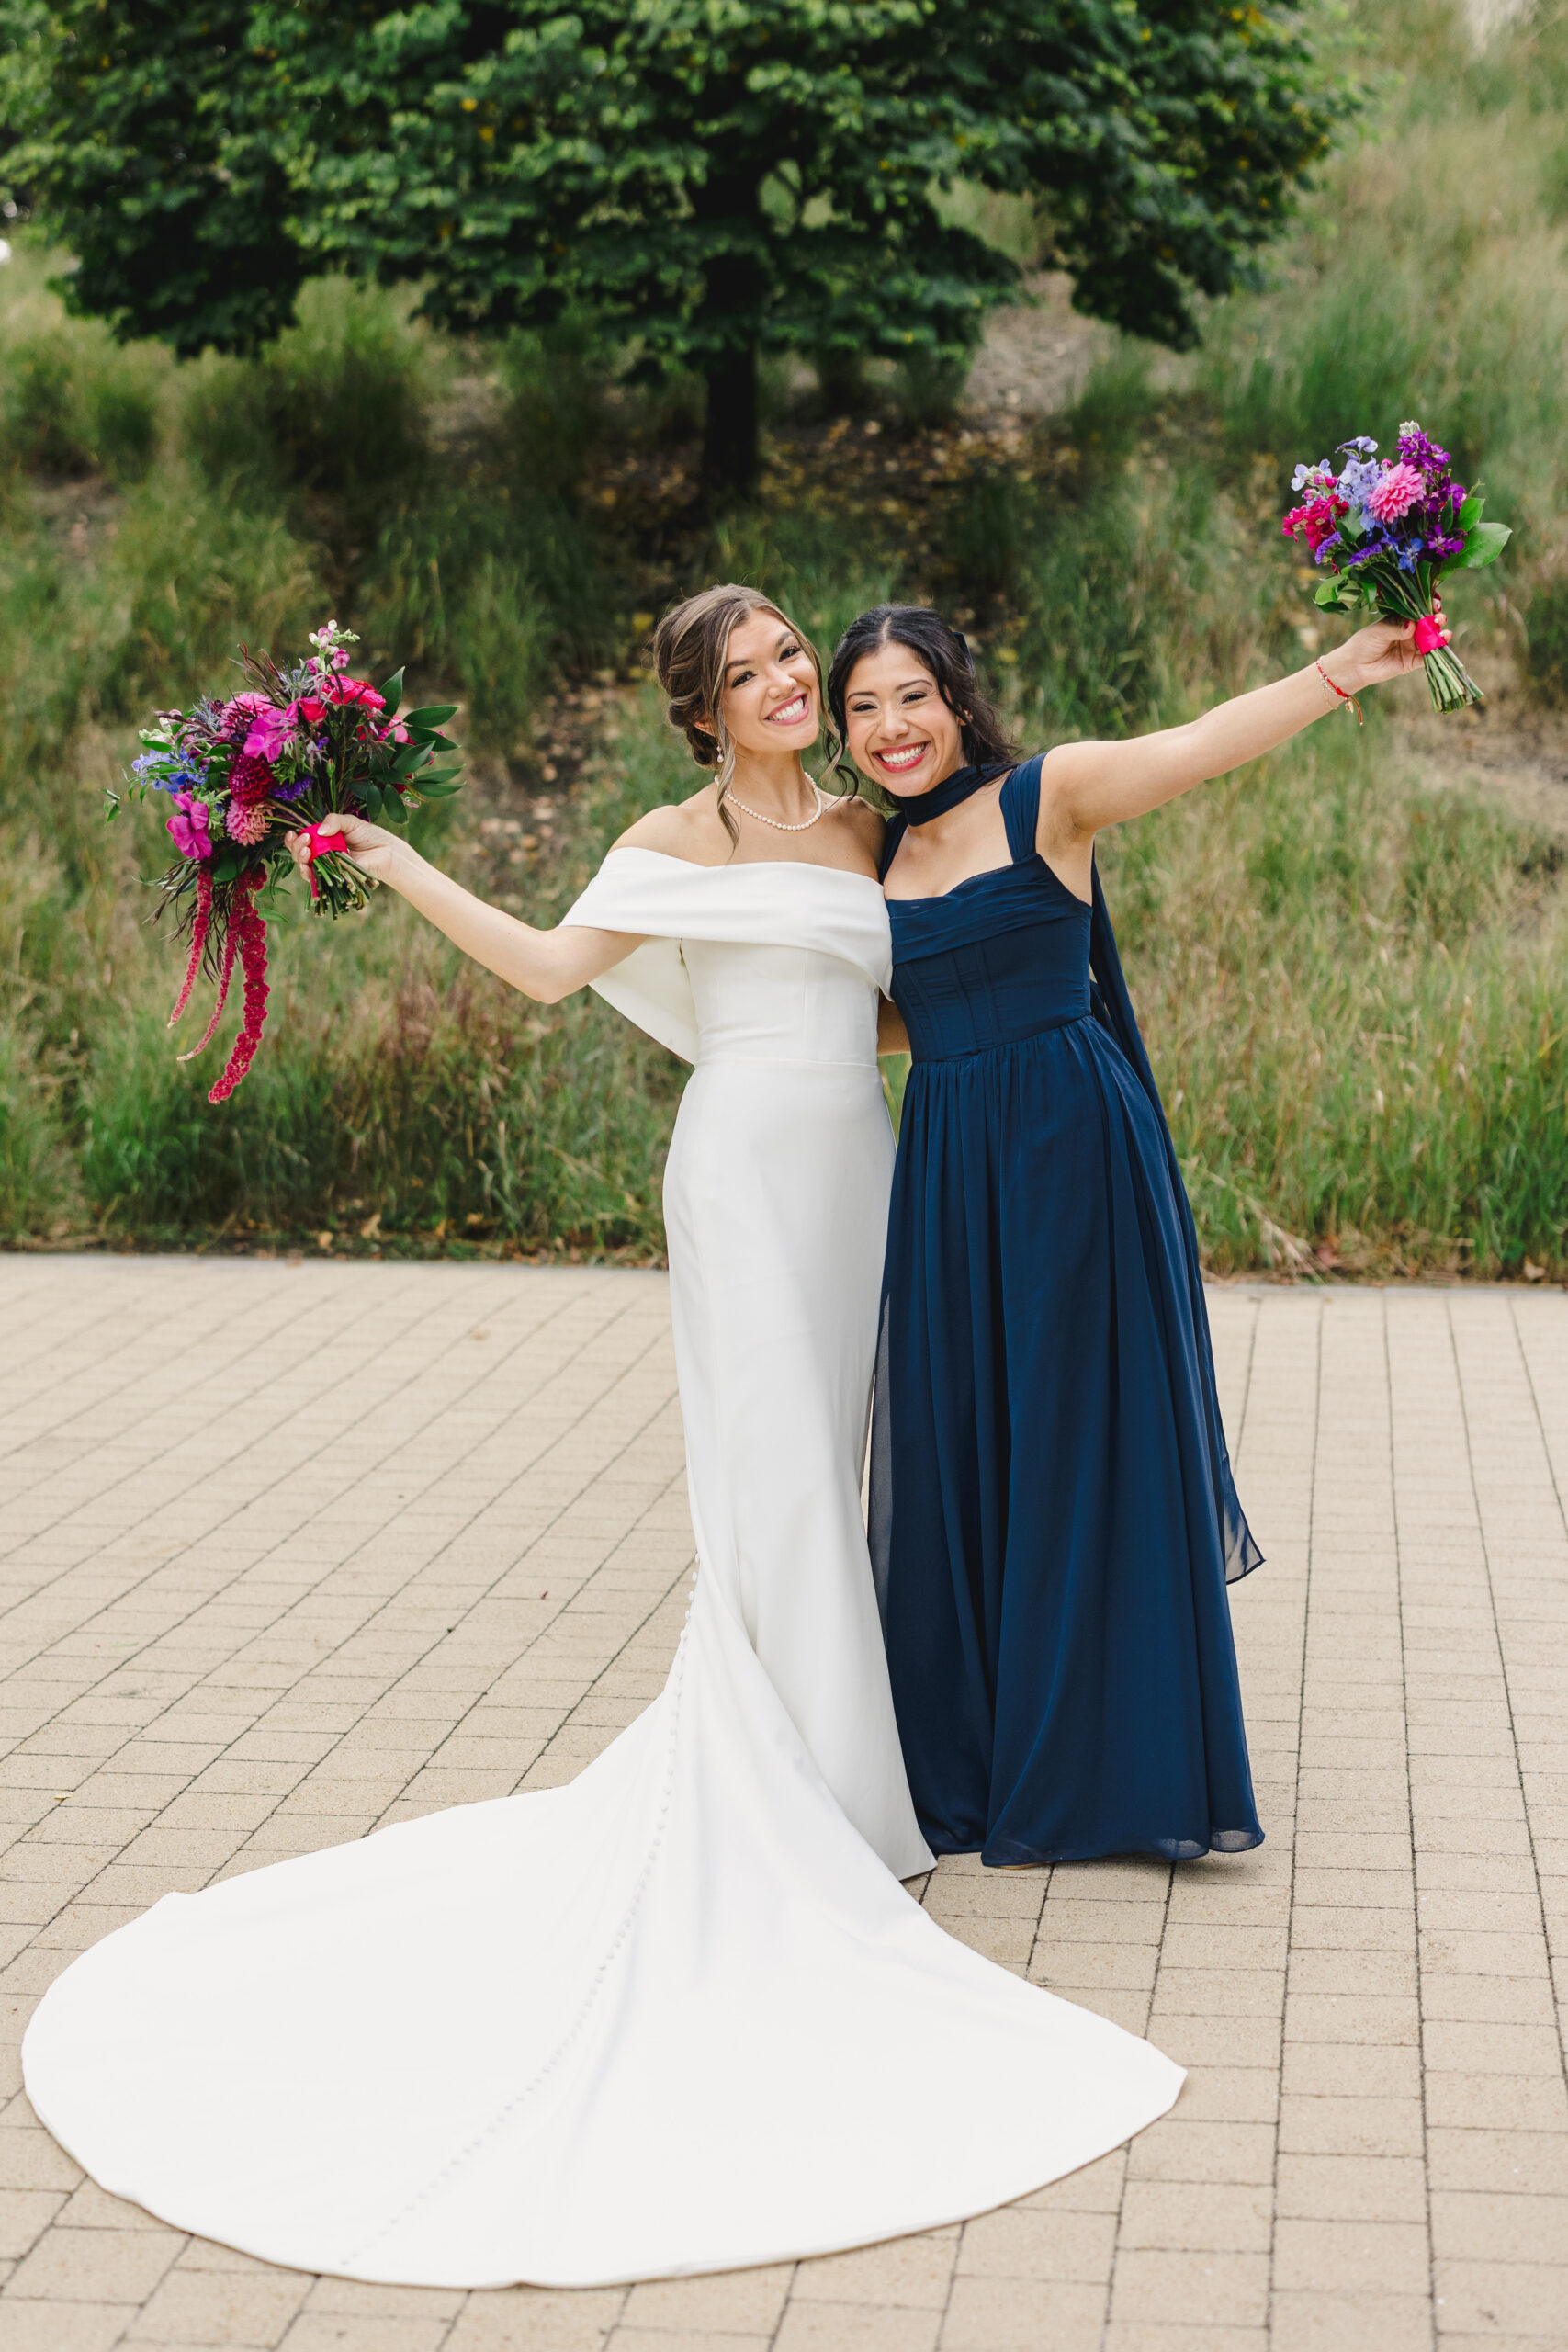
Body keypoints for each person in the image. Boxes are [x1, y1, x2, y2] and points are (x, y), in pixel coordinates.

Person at [22, 584, 1182, 2290]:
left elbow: (903, 997)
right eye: (746, 673)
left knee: (856, 1471)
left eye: (791, 657)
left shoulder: (868, 826)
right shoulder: (668, 837)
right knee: (778, 1487)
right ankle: (817, 1805)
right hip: (744, 1172)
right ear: (699, 711)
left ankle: (872, 1765)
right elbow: (554, 972)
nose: (786, 683)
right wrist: (397, 860)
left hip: (867, 1169)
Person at [832, 598, 1442, 1869]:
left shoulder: (1048, 797)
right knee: (964, 1436)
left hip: (1069, 1151)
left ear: (957, 699)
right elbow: (895, 1007)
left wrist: (1346, 668)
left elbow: (1204, 741)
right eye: (864, 707)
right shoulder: (866, 854)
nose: (893, 727)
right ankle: (972, 1756)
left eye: (913, 696)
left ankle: (1102, 1765)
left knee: (1076, 1435)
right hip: (946, 1168)